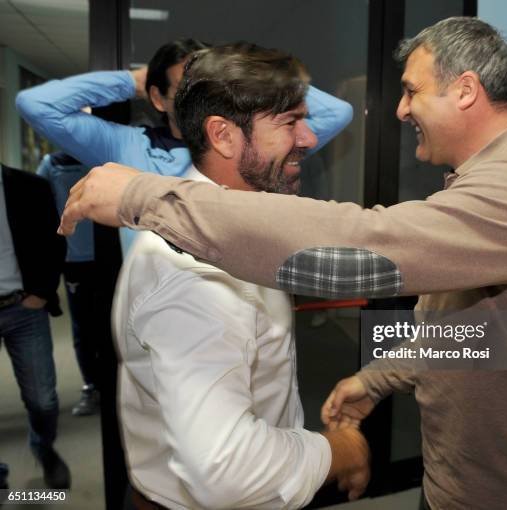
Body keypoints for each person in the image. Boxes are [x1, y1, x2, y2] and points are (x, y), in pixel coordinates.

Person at [58, 17, 507, 509]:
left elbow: (364, 250)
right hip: (456, 483)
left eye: (411, 91)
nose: (400, 108)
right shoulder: (481, 185)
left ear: (465, 91)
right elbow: (505, 334)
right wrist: (377, 380)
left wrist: (148, 197)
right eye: (291, 121)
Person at [112, 43, 369, 510]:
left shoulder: (235, 231)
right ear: (224, 136)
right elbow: (225, 469)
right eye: (290, 121)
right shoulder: (192, 271)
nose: (309, 138)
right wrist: (339, 451)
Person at [16, 39, 353, 252]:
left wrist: (250, 76)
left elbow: (337, 113)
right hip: (163, 293)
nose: (199, 98)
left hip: (245, 281)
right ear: (157, 99)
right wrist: (132, 81)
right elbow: (38, 105)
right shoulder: (127, 145)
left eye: (208, 86)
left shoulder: (247, 145)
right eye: (184, 89)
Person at [0, 163, 69, 489]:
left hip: (23, 307)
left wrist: (41, 292)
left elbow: (54, 240)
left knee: (43, 399)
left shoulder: (29, 186)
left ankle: (44, 447)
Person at [37, 152, 99, 416]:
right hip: (74, 258)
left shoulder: (96, 156)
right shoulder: (51, 165)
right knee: (82, 327)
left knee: (111, 322)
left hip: (105, 255)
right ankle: (92, 386)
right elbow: (37, 202)